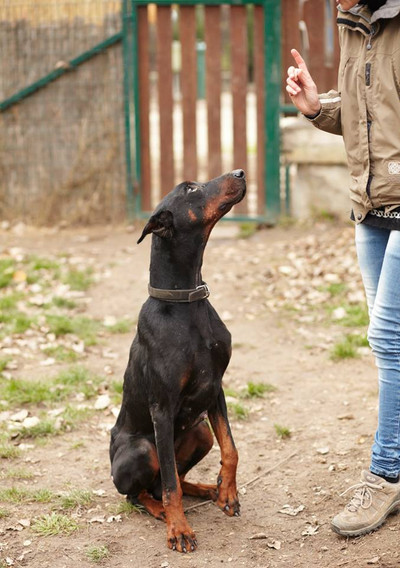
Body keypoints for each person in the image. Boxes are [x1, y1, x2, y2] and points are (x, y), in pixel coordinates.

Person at [286, 0, 400, 537]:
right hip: (370, 208)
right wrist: (316, 106)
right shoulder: (356, 25)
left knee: (388, 338)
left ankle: (386, 473)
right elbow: (366, 115)